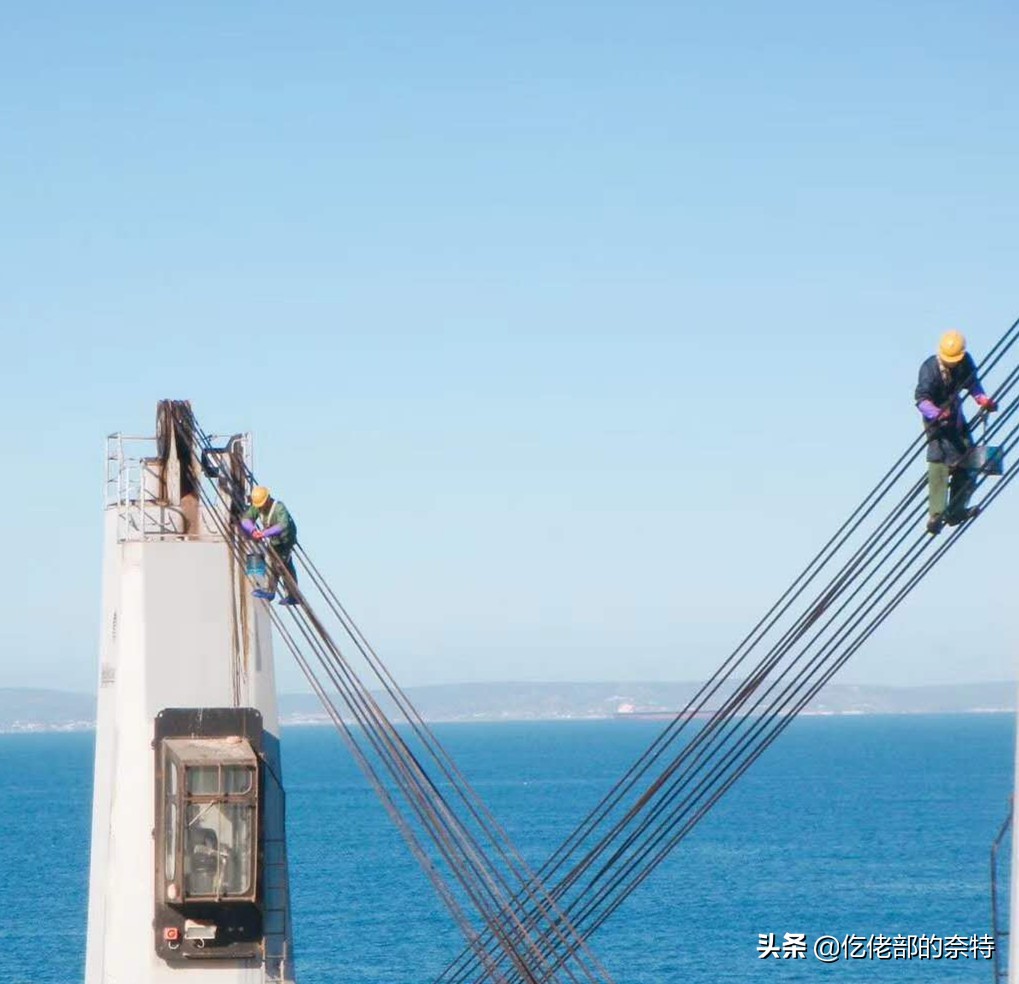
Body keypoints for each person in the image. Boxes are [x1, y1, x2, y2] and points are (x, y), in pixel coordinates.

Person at [915, 330, 997, 535]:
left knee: (969, 460)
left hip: (956, 419)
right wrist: (937, 413)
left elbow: (972, 383)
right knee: (938, 463)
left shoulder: (964, 362)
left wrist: (982, 399)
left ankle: (956, 510)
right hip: (937, 424)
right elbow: (921, 401)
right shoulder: (929, 369)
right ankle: (936, 514)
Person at [241, 486, 300, 604]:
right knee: (272, 562)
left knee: (282, 565)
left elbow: (282, 526)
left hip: (285, 540)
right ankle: (273, 591)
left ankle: (290, 594)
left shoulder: (279, 508)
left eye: (262, 505)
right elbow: (245, 520)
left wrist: (264, 533)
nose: (260, 508)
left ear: (268, 499)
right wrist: (253, 530)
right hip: (274, 540)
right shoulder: (258, 507)